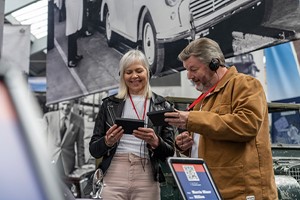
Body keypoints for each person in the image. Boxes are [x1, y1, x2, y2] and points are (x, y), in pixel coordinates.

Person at [164, 37, 278, 199]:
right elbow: (213, 135)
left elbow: (247, 125)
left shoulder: (246, 85)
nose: (189, 76)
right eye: (187, 70)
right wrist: (188, 145)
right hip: (213, 190)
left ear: (214, 63)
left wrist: (192, 119)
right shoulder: (204, 98)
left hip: (241, 191)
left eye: (193, 69)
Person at [89, 49, 175, 199]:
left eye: (139, 71)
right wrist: (107, 142)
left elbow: (169, 152)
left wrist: (155, 142)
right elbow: (94, 150)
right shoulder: (108, 105)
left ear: (148, 72)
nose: (134, 76)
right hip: (114, 173)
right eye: (128, 72)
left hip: (147, 175)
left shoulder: (163, 106)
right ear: (122, 76)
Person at [43, 100, 85, 178]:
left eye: (68, 104)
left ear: (72, 104)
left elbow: (80, 145)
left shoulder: (79, 120)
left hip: (67, 164)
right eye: (63, 104)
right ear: (59, 104)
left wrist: (81, 167)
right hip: (50, 160)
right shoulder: (48, 117)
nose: (66, 107)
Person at [65, 0, 84, 68]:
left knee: (75, 30)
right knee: (71, 30)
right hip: (72, 4)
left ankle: (74, 55)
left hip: (76, 4)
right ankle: (70, 59)